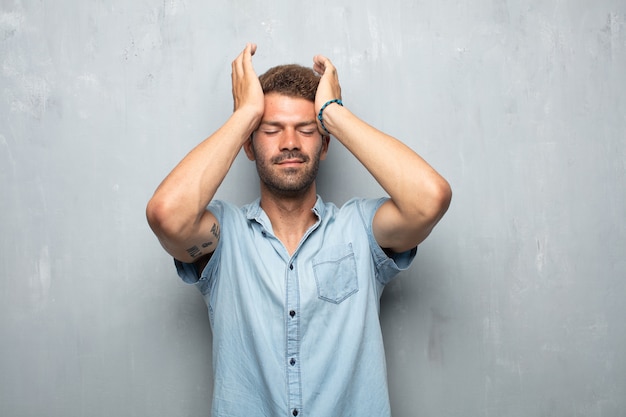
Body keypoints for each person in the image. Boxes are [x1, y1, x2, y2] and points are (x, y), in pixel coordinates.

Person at [146, 43, 451, 417]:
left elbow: (430, 199)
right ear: (248, 146)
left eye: (306, 130)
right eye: (271, 129)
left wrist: (334, 115)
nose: (289, 143)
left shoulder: (360, 231)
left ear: (324, 145)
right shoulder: (223, 238)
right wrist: (245, 114)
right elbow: (166, 215)